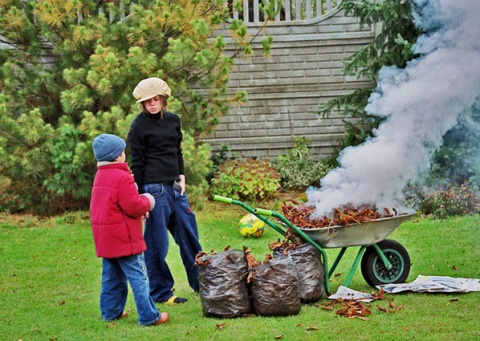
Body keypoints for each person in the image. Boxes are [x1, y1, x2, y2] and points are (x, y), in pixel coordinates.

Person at [128, 77, 202, 305]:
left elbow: (176, 150)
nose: (152, 104)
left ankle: (203, 283)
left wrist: (181, 173)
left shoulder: (173, 121)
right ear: (142, 103)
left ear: (163, 100)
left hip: (175, 187)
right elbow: (137, 163)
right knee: (157, 243)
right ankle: (161, 292)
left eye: (156, 99)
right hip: (154, 190)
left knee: (189, 234)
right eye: (148, 101)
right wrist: (141, 198)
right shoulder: (138, 126)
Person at [90, 133, 170, 326]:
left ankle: (110, 312)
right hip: (124, 239)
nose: (125, 155)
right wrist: (148, 201)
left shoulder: (101, 175)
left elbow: (113, 205)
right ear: (117, 156)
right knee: (139, 277)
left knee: (111, 277)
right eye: (123, 151)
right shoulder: (122, 176)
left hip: (106, 237)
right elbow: (133, 205)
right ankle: (149, 316)